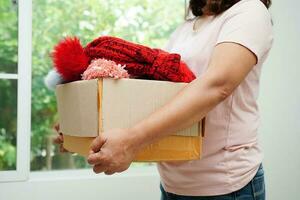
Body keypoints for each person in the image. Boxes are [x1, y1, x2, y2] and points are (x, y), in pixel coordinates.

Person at [54, 0, 273, 199]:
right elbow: (162, 95)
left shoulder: (249, 11)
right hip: (172, 186)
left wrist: (131, 141)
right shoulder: (186, 29)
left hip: (226, 185)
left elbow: (217, 85)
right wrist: (85, 128)